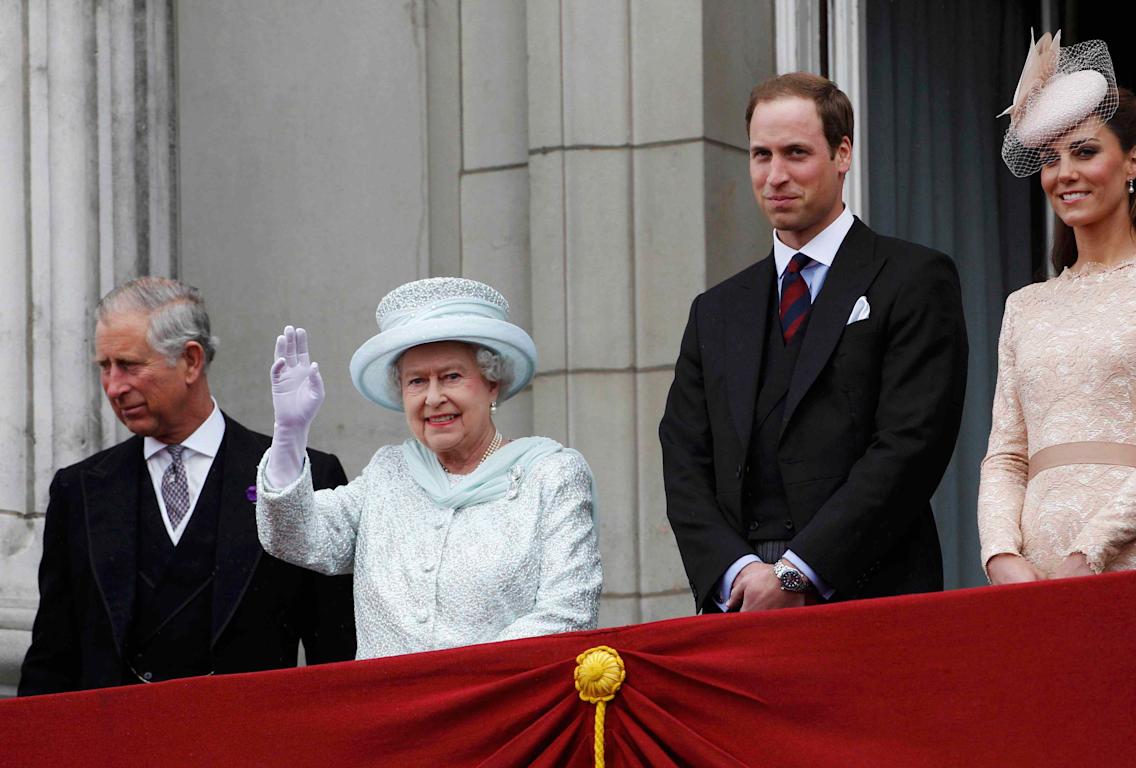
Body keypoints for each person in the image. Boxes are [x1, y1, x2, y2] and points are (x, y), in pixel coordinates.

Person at [659, 73, 968, 614]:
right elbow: (684, 458)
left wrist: (799, 573)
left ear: (842, 153)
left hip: (871, 599)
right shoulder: (716, 309)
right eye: (761, 155)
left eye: (796, 153)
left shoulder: (915, 277)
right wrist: (738, 574)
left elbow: (911, 445)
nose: (775, 176)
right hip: (740, 605)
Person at [19, 277, 355, 696]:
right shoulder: (79, 491)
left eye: (129, 364)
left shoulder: (305, 478)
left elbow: (340, 656)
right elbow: (52, 658)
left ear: (191, 361)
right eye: (104, 367)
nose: (114, 387)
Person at [979, 34, 1136, 582]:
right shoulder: (1025, 306)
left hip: (1132, 558)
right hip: (1028, 578)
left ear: (1132, 160)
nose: (1064, 172)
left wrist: (1090, 549)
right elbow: (1005, 454)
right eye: (1050, 159)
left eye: (1085, 151)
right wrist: (1001, 557)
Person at [256, 277, 602, 659]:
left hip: (499, 708)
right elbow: (298, 538)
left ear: (492, 385)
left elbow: (569, 612)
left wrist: (453, 683)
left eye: (452, 376)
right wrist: (289, 433)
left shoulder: (551, 475)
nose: (434, 398)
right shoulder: (388, 474)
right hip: (389, 713)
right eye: (417, 381)